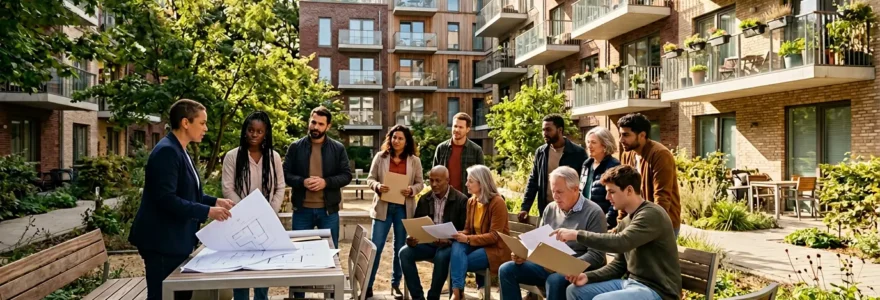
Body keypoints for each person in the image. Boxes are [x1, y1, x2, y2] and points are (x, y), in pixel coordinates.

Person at [129, 99, 236, 300]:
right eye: (202, 123)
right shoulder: (167, 151)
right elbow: (166, 199)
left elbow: (186, 193)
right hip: (162, 242)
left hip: (176, 241)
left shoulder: (181, 149)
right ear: (185, 122)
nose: (206, 128)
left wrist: (214, 201)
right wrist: (207, 211)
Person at [551, 165, 681, 300]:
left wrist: (576, 235)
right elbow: (619, 266)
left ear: (629, 190)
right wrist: (588, 276)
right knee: (574, 291)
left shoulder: (651, 214)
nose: (607, 197)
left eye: (611, 192)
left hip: (658, 291)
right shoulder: (625, 222)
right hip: (630, 284)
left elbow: (621, 242)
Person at [499, 166, 607, 300]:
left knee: (554, 280)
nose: (555, 196)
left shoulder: (594, 213)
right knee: (506, 269)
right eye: (553, 191)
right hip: (548, 265)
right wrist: (524, 254)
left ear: (575, 189)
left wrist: (565, 266)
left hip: (577, 270)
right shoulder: (550, 208)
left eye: (560, 192)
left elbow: (597, 255)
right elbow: (539, 243)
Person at [222, 111, 285, 300]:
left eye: (259, 131)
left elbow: (280, 187)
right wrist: (246, 214)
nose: (254, 134)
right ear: (245, 131)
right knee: (241, 268)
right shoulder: (232, 156)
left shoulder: (273, 157)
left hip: (267, 222)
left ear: (266, 133)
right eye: (251, 130)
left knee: (262, 268)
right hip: (240, 222)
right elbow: (227, 188)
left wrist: (269, 213)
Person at [365, 125, 425, 299]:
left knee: (400, 247)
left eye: (400, 138)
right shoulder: (380, 157)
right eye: (394, 137)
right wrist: (377, 186)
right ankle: (368, 285)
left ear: (406, 142)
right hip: (383, 207)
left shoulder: (414, 160)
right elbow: (370, 179)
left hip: (403, 208)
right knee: (376, 247)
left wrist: (412, 190)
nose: (396, 141)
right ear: (389, 139)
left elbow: (420, 183)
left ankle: (395, 284)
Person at [283, 106, 352, 249]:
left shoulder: (338, 148)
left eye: (321, 124)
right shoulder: (295, 147)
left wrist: (326, 182)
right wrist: (302, 182)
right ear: (309, 121)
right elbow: (285, 174)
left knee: (331, 253)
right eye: (313, 122)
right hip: (301, 210)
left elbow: (346, 175)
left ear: (328, 126)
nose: (316, 127)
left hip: (328, 211)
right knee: (300, 253)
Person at [399, 165, 468, 300]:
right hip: (428, 244)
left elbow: (465, 230)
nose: (434, 184)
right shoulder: (424, 199)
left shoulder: (461, 200)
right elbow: (417, 225)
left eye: (438, 180)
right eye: (431, 180)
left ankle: (433, 296)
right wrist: (411, 238)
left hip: (449, 245)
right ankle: (417, 297)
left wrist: (448, 240)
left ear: (447, 180)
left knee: (441, 256)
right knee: (404, 252)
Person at [449, 165, 511, 300]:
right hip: (477, 244)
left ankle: (457, 293)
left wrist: (467, 239)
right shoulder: (471, 201)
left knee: (459, 261)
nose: (466, 184)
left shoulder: (497, 203)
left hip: (494, 248)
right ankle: (457, 292)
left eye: (470, 181)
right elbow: (468, 230)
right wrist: (456, 234)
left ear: (481, 183)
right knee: (457, 246)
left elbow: (494, 236)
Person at [616, 113, 681, 236]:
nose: (621, 140)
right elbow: (624, 190)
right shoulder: (627, 154)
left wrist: (653, 227)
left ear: (642, 135)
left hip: (661, 224)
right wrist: (621, 223)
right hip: (636, 222)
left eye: (626, 135)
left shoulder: (660, 155)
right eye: (620, 135)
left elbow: (662, 197)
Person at [519, 114, 588, 222]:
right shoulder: (541, 152)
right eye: (543, 130)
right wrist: (525, 208)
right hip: (546, 210)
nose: (544, 133)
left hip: (571, 212)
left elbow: (584, 184)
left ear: (560, 130)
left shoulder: (578, 153)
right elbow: (533, 180)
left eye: (548, 130)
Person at [433, 112, 485, 196]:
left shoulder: (476, 150)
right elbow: (434, 175)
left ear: (467, 129)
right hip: (444, 197)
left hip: (466, 197)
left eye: (461, 127)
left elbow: (482, 178)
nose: (457, 130)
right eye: (455, 126)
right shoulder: (441, 148)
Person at [580, 127, 621, 229]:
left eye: (593, 142)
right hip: (586, 219)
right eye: (588, 142)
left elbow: (617, 198)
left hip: (603, 221)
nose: (589, 146)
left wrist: (607, 222)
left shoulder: (613, 166)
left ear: (605, 145)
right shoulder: (586, 165)